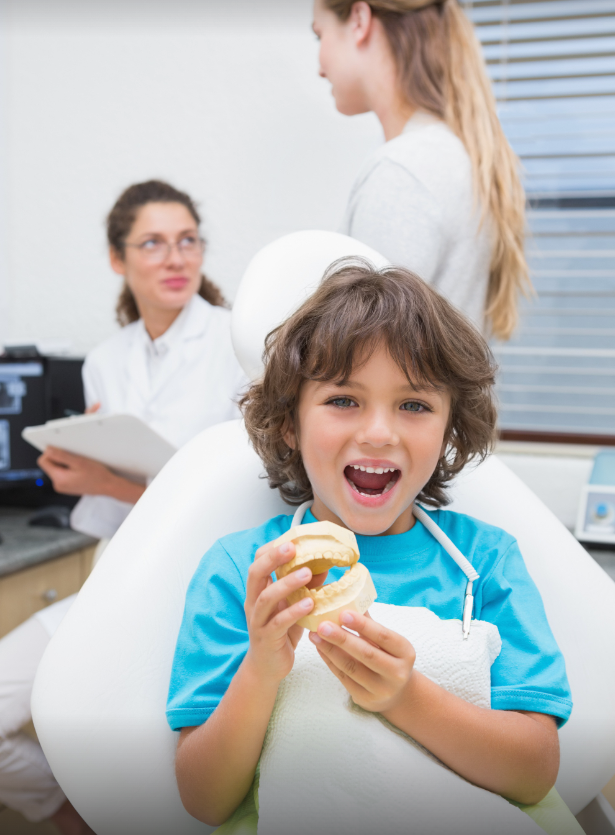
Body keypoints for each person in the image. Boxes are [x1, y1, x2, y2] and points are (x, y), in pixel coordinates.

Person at [166, 261, 572, 831]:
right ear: (290, 423)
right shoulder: (243, 572)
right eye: (343, 400)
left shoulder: (486, 563)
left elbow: (534, 771)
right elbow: (204, 798)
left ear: (450, 428)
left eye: (414, 405)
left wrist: (406, 698)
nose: (379, 432)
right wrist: (261, 666)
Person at [0, 180, 247, 834]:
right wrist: (77, 471)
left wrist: (107, 481)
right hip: (119, 584)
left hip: (205, 593)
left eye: (188, 240)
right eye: (154, 243)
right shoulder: (107, 360)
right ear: (119, 260)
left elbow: (242, 500)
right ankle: (67, 809)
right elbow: (115, 513)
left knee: (156, 772)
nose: (176, 257)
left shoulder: (241, 344)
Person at [313, 0, 530, 340]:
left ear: (359, 20)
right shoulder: (454, 155)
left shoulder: (404, 170)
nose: (319, 67)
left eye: (319, 35)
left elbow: (362, 356)